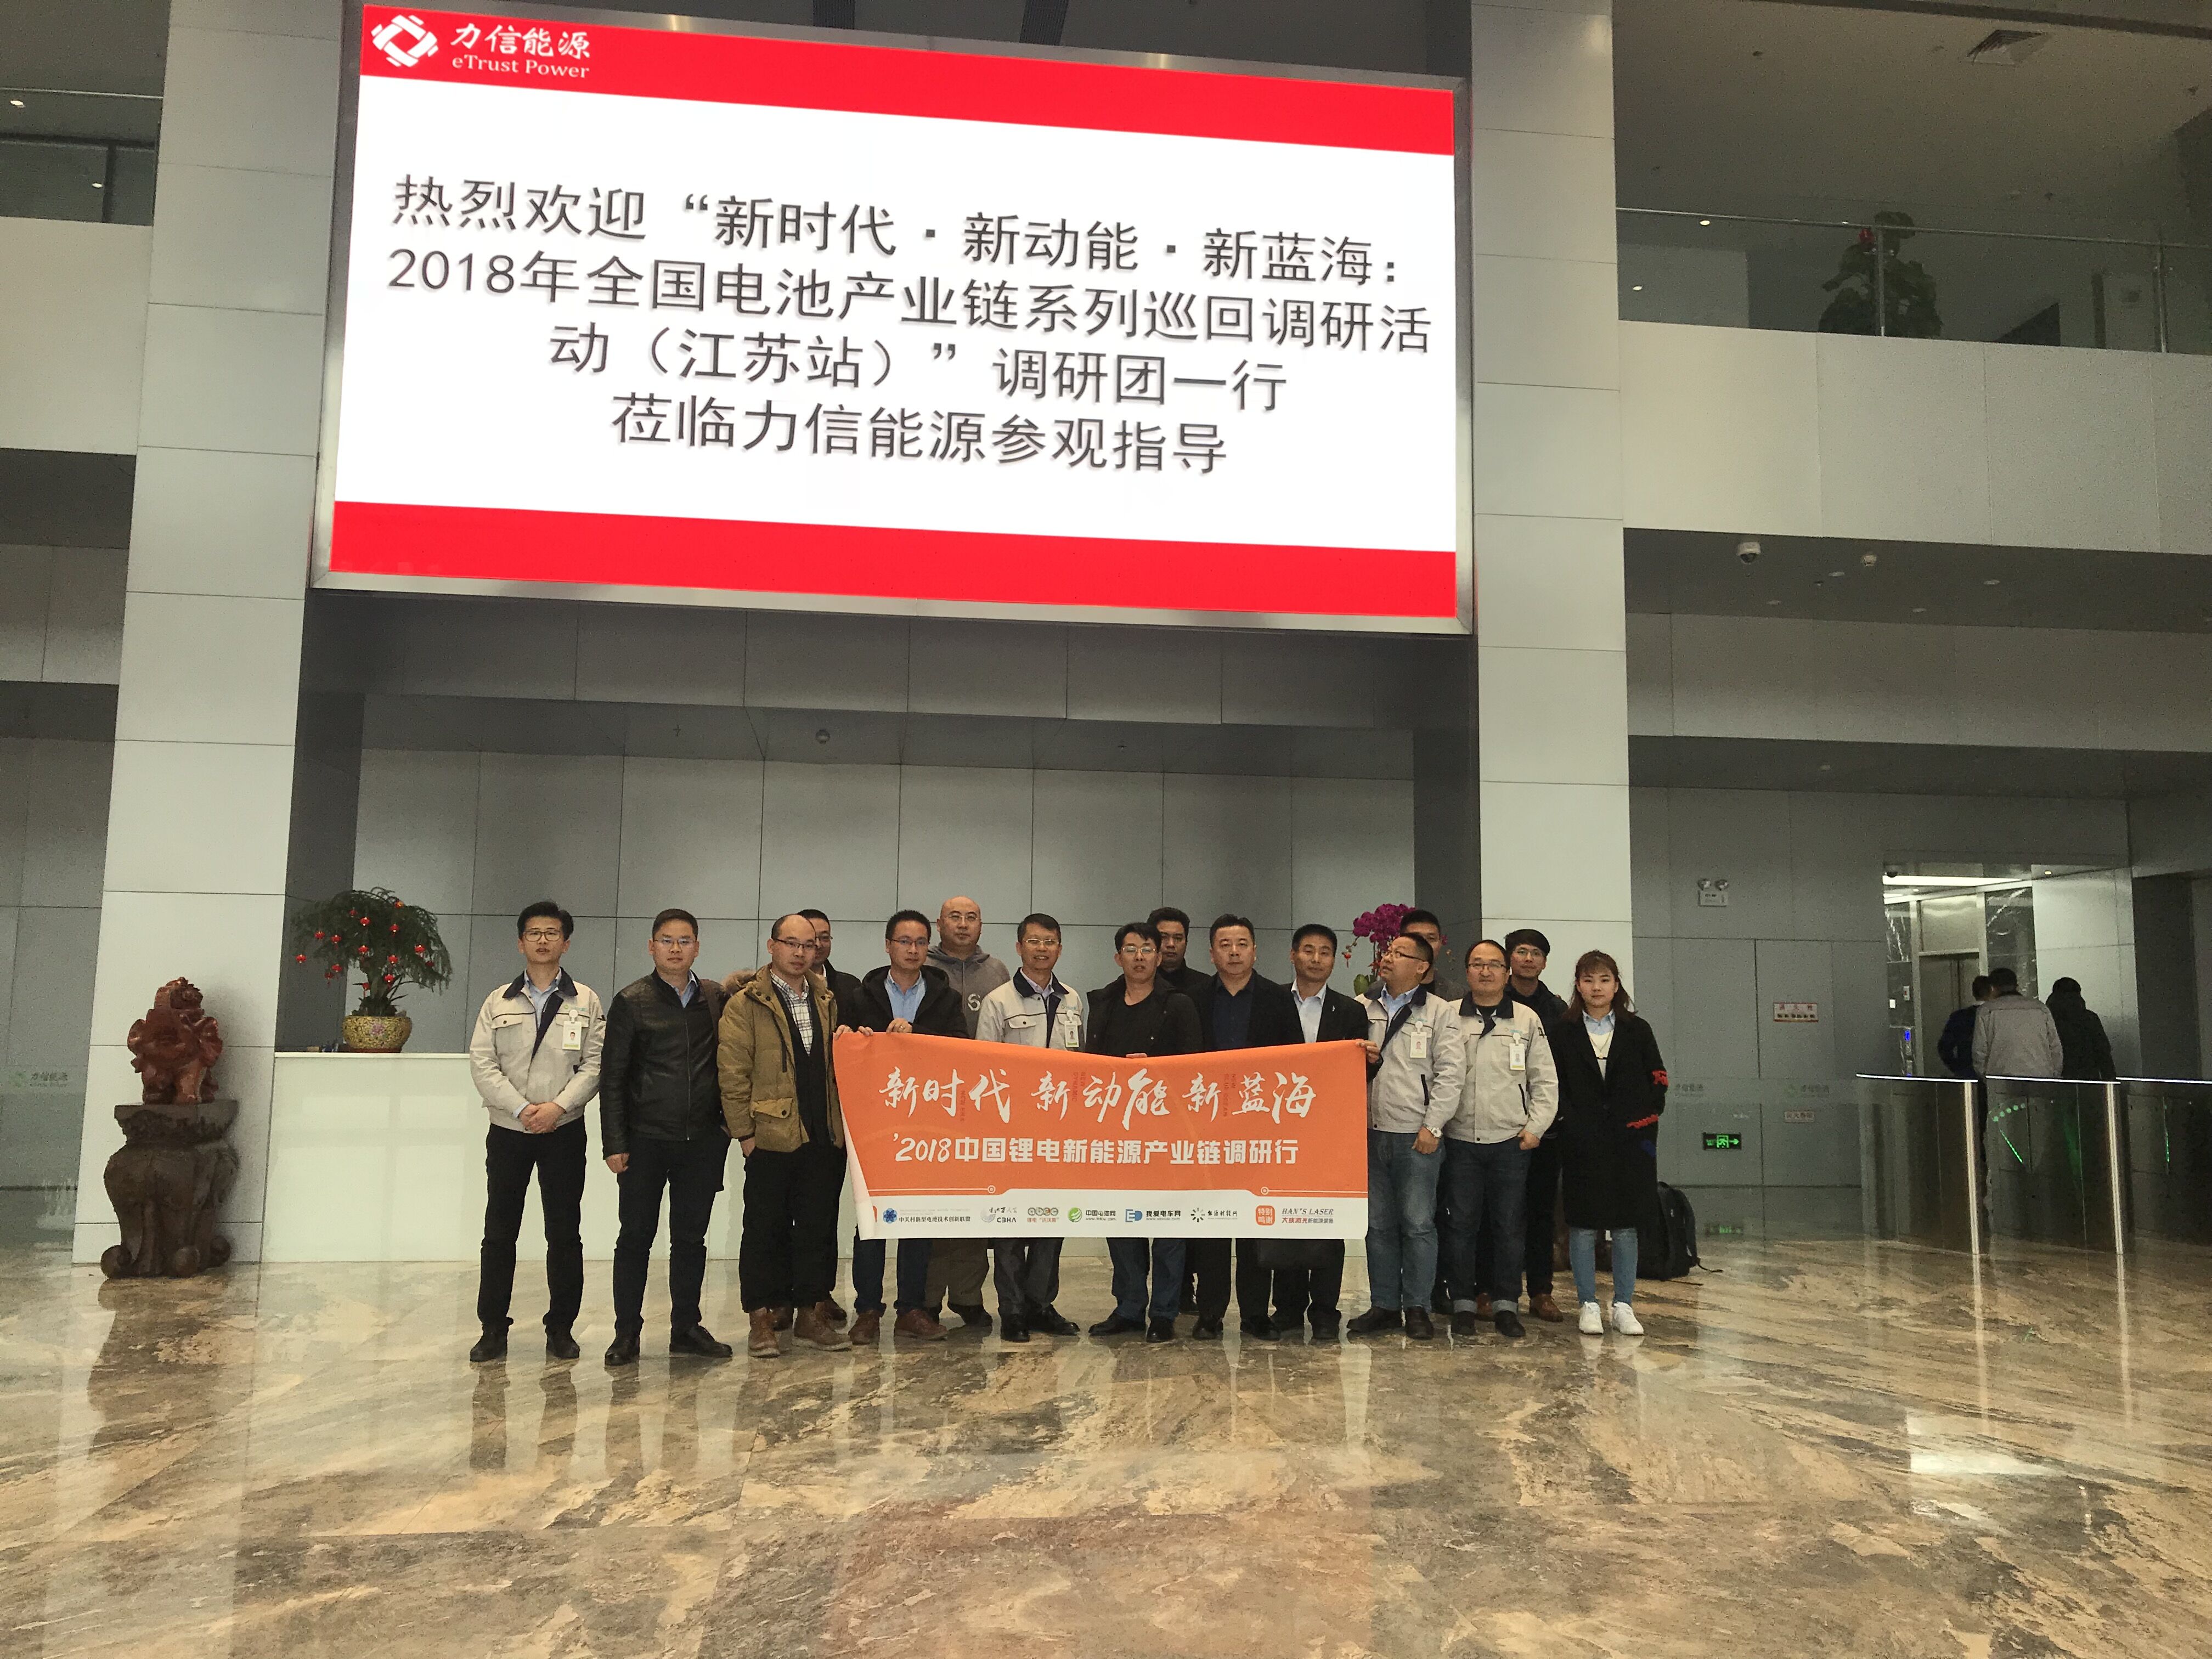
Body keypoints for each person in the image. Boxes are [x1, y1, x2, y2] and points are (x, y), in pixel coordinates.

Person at [465, 901, 606, 1363]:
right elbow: (483, 1064)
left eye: (552, 933)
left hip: (564, 1130)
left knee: (564, 1233)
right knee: (499, 1232)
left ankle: (561, 1329)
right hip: (509, 1130)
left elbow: (596, 1064)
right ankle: (492, 1329)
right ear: (520, 942)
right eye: (534, 933)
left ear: (566, 943)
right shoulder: (498, 1001)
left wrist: (557, 1108)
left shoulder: (585, 1000)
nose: (543, 941)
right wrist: (523, 1109)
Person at [600, 909, 732, 1366]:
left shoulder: (714, 998)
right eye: (667, 940)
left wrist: (723, 1128)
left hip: (702, 1141)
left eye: (684, 941)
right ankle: (626, 1334)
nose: (675, 949)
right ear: (651, 946)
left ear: (697, 947)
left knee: (691, 1240)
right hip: (645, 1140)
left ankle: (686, 1328)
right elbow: (613, 1078)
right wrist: (614, 1143)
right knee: (635, 1238)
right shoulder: (631, 1000)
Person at [721, 914, 851, 1358]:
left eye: (808, 945)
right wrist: (745, 1134)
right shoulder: (746, 1004)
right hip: (770, 1135)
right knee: (764, 1229)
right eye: (791, 943)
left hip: (822, 1133)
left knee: (816, 1228)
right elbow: (732, 1074)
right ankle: (761, 1319)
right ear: (772, 945)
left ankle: (810, 1316)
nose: (800, 953)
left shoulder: (827, 1000)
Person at [844, 911, 962, 1346]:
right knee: (870, 1221)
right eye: (904, 941)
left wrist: (916, 1033)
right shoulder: (860, 996)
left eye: (920, 942)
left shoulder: (945, 998)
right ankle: (867, 1310)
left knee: (917, 1218)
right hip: (874, 1123)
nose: (912, 950)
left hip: (926, 1124)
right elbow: (844, 1045)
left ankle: (912, 1308)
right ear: (888, 945)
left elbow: (960, 1050)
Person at [1084, 921, 1202, 1344]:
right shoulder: (1103, 1002)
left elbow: (1195, 1069)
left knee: (1168, 1228)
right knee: (1122, 1224)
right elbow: (1090, 1066)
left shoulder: (1179, 1004)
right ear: (1118, 957)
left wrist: (1154, 1070)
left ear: (1159, 956)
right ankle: (1129, 1307)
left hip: (1167, 1133)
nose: (1139, 957)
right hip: (1117, 1133)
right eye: (1131, 949)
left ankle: (1164, 1313)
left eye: (1147, 949)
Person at [1187, 913, 1304, 1340]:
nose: (1234, 953)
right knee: (1212, 1226)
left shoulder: (1278, 999)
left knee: (1256, 1222)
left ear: (1255, 951)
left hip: (1260, 1129)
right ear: (1211, 953)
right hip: (1207, 1129)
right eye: (1225, 945)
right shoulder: (1193, 998)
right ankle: (1210, 1313)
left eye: (1241, 944)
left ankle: (1256, 1314)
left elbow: (1295, 1061)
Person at [976, 912, 1087, 1341]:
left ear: (1060, 948)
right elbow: (984, 1069)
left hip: (1059, 1132)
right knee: (1010, 1222)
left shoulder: (1073, 999)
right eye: (1035, 941)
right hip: (1013, 1131)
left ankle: (1041, 1304)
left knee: (1051, 1220)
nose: (1043, 949)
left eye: (1051, 942)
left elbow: (1080, 1066)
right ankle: (1013, 1310)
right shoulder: (999, 1001)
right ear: (1019, 946)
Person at [1347, 933, 1464, 1340]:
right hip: (1368, 1132)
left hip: (1417, 1136)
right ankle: (1384, 1305)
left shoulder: (1440, 1012)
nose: (1389, 957)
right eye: (1389, 951)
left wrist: (1433, 1126)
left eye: (1400, 954)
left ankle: (1417, 1306)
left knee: (1417, 1224)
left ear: (1422, 968)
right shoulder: (1362, 1007)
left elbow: (1451, 1074)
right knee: (1378, 1225)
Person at [1443, 941, 1558, 1341]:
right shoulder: (1448, 1016)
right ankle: (1463, 1303)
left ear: (1506, 973)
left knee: (1509, 1227)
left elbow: (1545, 1080)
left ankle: (1507, 1304)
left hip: (1511, 1142)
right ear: (1467, 972)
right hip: (1460, 1140)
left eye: (1494, 965)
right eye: (1477, 964)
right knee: (1461, 1227)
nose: (1486, 972)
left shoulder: (1526, 1019)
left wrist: (1535, 1128)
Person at [1551, 950, 1667, 1338]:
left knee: (1626, 1226)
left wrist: (1643, 1121)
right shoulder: (1563, 1031)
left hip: (1630, 1140)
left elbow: (1658, 1079)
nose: (1596, 988)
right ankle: (1588, 1303)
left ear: (1616, 985)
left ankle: (1623, 1305)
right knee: (1583, 1225)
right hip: (1581, 1140)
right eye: (1588, 980)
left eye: (1604, 980)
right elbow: (1552, 1083)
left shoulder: (1638, 1029)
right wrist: (1569, 1122)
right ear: (1578, 986)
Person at [1273, 923, 1367, 1340]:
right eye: (1308, 950)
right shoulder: (1272, 1002)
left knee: (1330, 1223)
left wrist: (1371, 1061)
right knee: (1285, 1221)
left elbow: (1357, 1073)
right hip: (1279, 1129)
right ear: (1293, 955)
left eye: (1325, 952)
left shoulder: (1350, 1011)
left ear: (1333, 960)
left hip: (1331, 1133)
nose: (1316, 959)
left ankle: (1326, 1311)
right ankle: (1288, 1309)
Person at [922, 894, 1010, 1330]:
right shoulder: (922, 966)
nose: (962, 924)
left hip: (983, 1104)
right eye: (954, 917)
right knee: (934, 1205)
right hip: (931, 1103)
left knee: (977, 1202)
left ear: (981, 925)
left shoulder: (997, 971)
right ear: (939, 924)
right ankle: (925, 1298)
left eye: (970, 917)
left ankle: (968, 1296)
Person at [1497, 927, 1571, 1323]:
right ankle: (1491, 1290)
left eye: (1536, 953)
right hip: (1498, 1125)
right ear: (1510, 958)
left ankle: (1541, 1291)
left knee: (1542, 1213)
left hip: (1546, 1128)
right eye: (1521, 952)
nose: (1528, 959)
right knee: (1497, 1213)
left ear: (1544, 962)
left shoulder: (1557, 1009)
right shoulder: (1493, 1000)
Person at [1971, 967, 2064, 1079]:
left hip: (2001, 1080)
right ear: (2017, 986)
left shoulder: (1986, 1011)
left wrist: (1987, 1079)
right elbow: (2055, 1048)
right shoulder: (2041, 1009)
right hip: (2041, 1077)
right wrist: (2053, 1075)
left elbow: (1980, 1052)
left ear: (1992, 988)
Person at [799, 907, 863, 1028]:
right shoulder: (779, 985)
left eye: (825, 938)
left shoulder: (851, 986)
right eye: (812, 938)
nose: (818, 944)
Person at [2047, 977, 2118, 1081]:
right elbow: (2103, 1053)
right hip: (2087, 1078)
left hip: (2058, 1079)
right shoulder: (2089, 1018)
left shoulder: (2049, 1018)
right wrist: (2110, 1079)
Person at [1937, 975, 1993, 1079]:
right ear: (1992, 991)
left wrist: (1957, 1068)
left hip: (1967, 1073)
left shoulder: (1959, 1017)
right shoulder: (1994, 1016)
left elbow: (1944, 1047)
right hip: (1994, 1074)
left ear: (1974, 993)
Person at [1149, 906, 1209, 998]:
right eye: (1164, 937)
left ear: (1186, 943)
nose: (1171, 944)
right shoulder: (1136, 982)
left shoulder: (1206, 986)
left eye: (1178, 938)